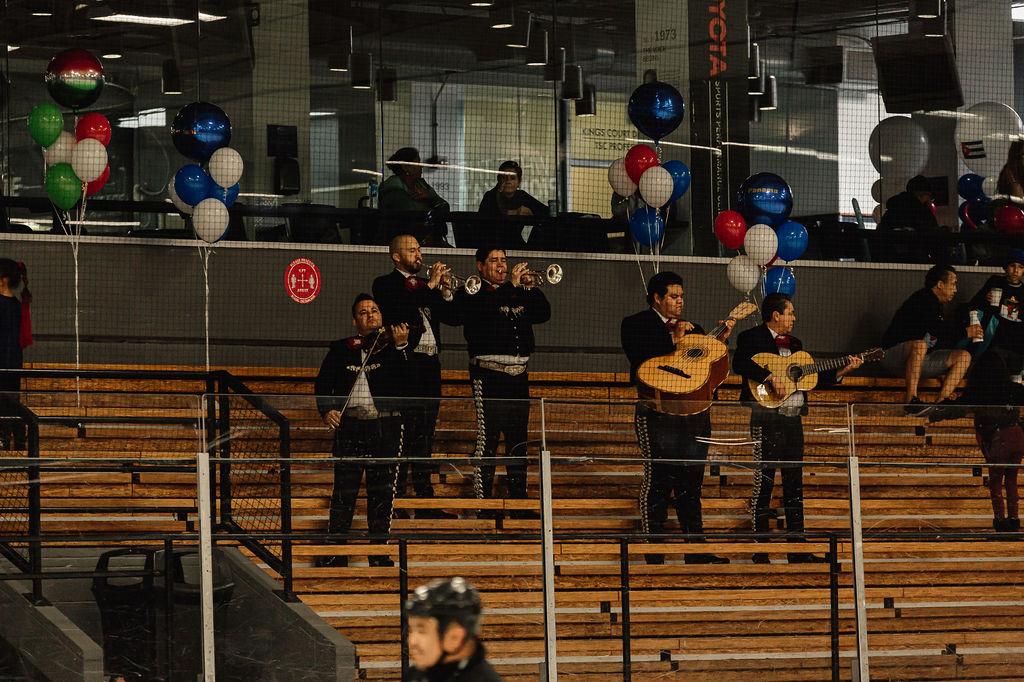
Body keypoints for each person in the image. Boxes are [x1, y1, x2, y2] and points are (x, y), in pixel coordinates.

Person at [733, 293, 862, 564]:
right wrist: (769, 376)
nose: (794, 318)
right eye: (790, 312)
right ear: (776, 315)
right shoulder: (750, 337)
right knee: (764, 483)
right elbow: (740, 363)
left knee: (794, 485)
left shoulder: (796, 345)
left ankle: (797, 549)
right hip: (765, 418)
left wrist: (842, 371)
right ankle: (760, 549)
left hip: (793, 420)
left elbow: (810, 377)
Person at [620, 271, 734, 565]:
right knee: (659, 478)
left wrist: (718, 345)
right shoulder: (635, 324)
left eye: (682, 296)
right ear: (657, 298)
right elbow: (642, 360)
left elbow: (706, 369)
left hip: (693, 415)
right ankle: (653, 548)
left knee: (692, 482)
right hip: (656, 413)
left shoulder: (696, 328)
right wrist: (673, 340)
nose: (680, 301)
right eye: (673, 296)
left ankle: (696, 549)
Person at [447, 247, 551, 519]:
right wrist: (512, 287)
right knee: (488, 440)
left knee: (518, 441)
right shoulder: (471, 291)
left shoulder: (516, 291)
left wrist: (529, 288)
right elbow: (485, 313)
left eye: (504, 260)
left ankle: (519, 502)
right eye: (494, 261)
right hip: (488, 375)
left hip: (519, 376)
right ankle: (484, 504)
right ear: (480, 266)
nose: (501, 265)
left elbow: (543, 314)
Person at [313, 294, 410, 568]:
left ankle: (379, 552)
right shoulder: (341, 349)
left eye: (375, 310)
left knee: (382, 492)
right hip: (351, 425)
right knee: (344, 491)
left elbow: (410, 383)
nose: (371, 315)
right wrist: (327, 410)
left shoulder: (394, 347)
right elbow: (322, 385)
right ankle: (336, 552)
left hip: (385, 425)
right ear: (355, 321)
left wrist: (402, 346)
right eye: (364, 312)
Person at [372, 235, 456, 520]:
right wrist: (431, 285)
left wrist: (444, 292)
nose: (419, 254)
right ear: (396, 257)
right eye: (412, 250)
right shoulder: (385, 284)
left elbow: (451, 317)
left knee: (426, 434)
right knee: (403, 434)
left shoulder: (424, 287)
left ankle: (424, 501)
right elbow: (402, 308)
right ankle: (394, 500)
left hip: (430, 366)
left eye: (420, 249)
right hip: (405, 364)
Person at [880, 264, 974, 415]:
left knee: (964, 356)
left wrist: (943, 372)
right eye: (953, 284)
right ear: (940, 285)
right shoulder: (922, 299)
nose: (955, 290)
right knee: (920, 345)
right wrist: (965, 332)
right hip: (893, 357)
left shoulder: (939, 307)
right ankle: (911, 400)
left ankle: (941, 404)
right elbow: (940, 331)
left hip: (919, 362)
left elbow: (939, 341)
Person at [406, 577, 501, 681]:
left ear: (455, 637)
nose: (411, 641)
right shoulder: (415, 675)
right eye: (411, 630)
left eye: (422, 631)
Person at [962, 251, 1024, 404]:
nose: (1016, 270)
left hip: (1018, 346)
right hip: (995, 342)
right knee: (992, 375)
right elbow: (973, 306)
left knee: (1015, 382)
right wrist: (985, 299)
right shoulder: (996, 282)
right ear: (1005, 267)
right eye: (1012, 266)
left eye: (1021, 267)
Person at [378, 147, 450, 246]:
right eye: (417, 163)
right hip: (404, 244)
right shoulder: (392, 187)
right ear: (406, 167)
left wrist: (429, 198)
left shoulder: (421, 185)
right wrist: (432, 208)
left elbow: (445, 207)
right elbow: (412, 217)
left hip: (432, 241)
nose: (421, 166)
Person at [0, 259, 29, 450]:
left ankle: (5, 438)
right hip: (13, 363)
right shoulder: (18, 306)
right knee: (11, 402)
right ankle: (17, 439)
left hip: (3, 361)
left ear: (3, 279)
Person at [877, 175, 941, 263]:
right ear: (921, 195)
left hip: (888, 259)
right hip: (917, 260)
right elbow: (934, 237)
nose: (930, 200)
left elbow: (881, 231)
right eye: (929, 196)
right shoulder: (923, 212)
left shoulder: (893, 209)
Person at [477, 161, 548, 219]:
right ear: (499, 179)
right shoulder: (490, 196)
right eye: (504, 177)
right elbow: (483, 221)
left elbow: (546, 212)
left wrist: (531, 213)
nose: (508, 181)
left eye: (512, 178)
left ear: (519, 182)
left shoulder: (522, 196)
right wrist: (514, 212)